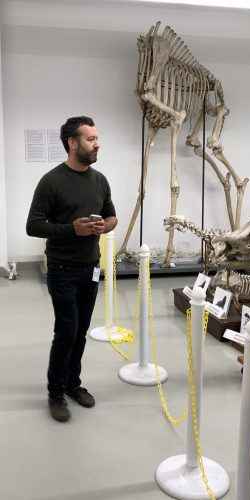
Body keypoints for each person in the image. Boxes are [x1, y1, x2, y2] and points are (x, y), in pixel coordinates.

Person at [26, 116, 117, 422]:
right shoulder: (51, 181)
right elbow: (33, 225)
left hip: (90, 269)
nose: (97, 143)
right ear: (73, 143)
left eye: (97, 137)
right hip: (62, 270)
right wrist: (71, 230)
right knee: (65, 332)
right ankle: (54, 393)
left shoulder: (100, 180)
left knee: (80, 333)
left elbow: (112, 216)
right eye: (91, 138)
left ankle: (72, 384)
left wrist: (104, 225)